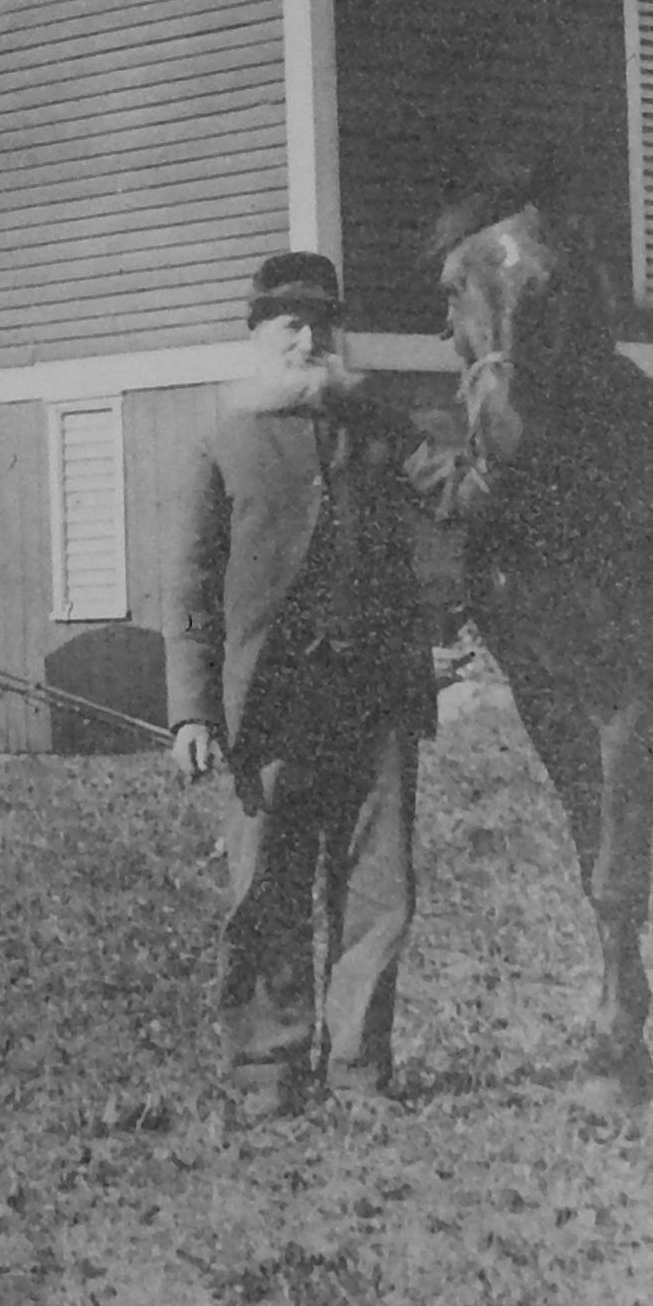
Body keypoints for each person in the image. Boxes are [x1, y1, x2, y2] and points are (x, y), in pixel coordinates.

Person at [170, 248, 445, 1116]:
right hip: (273, 709)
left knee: (377, 890)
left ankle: (360, 1071)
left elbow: (455, 492)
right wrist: (191, 713)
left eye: (323, 322)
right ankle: (265, 1072)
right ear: (258, 336)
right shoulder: (222, 445)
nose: (309, 338)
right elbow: (189, 591)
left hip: (376, 699)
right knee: (268, 892)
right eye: (291, 322)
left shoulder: (381, 430)